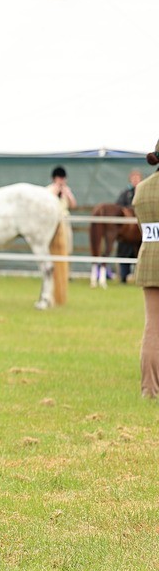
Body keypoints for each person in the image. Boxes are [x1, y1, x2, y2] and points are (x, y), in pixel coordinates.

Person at [133, 152, 159, 397]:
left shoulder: (142, 189)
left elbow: (143, 227)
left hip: (150, 258)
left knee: (152, 327)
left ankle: (149, 389)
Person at [116, 170, 144, 283]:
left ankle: (139, 277)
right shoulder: (125, 193)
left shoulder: (143, 191)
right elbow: (118, 208)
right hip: (126, 234)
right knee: (124, 252)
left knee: (140, 254)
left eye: (138, 178)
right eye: (134, 178)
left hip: (140, 232)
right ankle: (123, 277)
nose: (136, 180)